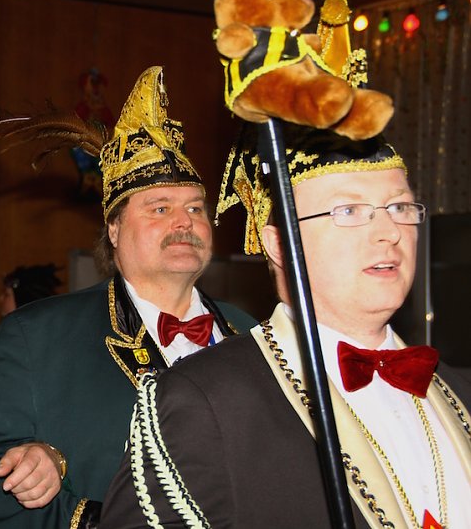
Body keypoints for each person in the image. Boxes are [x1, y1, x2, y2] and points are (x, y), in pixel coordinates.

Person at [100, 119, 471, 528]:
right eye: (348, 210)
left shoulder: (460, 392)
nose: (389, 232)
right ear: (278, 244)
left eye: (400, 207)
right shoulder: (203, 400)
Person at [0, 66, 256, 528]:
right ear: (113, 229)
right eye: (160, 208)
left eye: (195, 207)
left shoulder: (252, 337)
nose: (184, 221)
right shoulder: (36, 335)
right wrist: (84, 519)